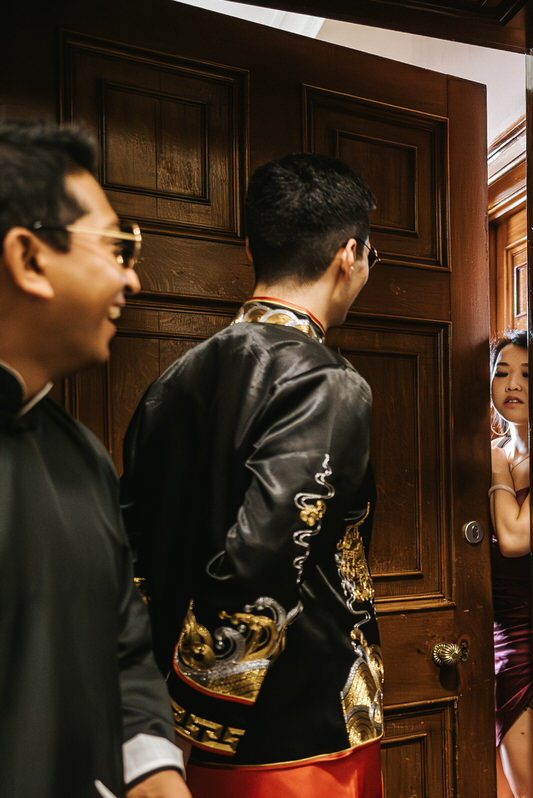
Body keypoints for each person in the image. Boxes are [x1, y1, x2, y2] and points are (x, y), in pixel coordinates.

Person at [121, 153, 384, 796]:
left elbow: (134, 551)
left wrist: (167, 718)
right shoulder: (328, 382)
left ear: (250, 247)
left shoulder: (169, 384)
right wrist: (200, 714)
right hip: (298, 739)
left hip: (189, 744)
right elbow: (260, 562)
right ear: (349, 255)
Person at [0, 121, 188, 797]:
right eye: (116, 247)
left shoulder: (80, 453)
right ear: (28, 259)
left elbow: (124, 648)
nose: (131, 278)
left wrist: (155, 772)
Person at [488, 330, 533, 798]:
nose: (513, 384)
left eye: (525, 373)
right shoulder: (496, 449)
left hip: (531, 634)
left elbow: (517, 538)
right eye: (502, 373)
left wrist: (499, 472)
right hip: (493, 632)